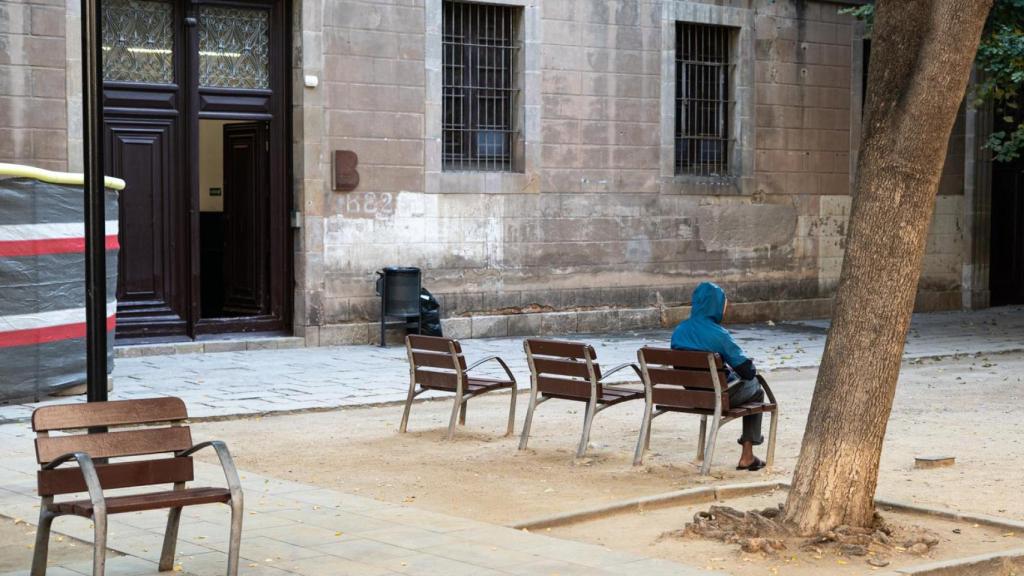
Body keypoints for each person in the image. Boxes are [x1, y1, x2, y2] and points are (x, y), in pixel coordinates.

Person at [670, 282, 766, 471]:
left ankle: (746, 455)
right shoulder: (719, 335)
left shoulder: (679, 330)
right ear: (716, 306)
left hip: (694, 395)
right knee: (756, 388)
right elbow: (747, 371)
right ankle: (747, 456)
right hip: (718, 396)